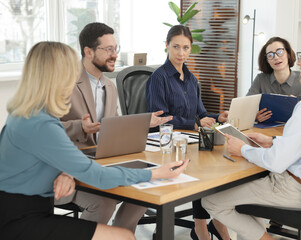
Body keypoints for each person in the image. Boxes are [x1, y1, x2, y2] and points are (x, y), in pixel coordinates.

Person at [0, 41, 189, 240]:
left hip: (15, 211)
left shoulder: (26, 114)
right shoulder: (42, 125)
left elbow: (46, 156)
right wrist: (154, 173)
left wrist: (65, 171)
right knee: (124, 237)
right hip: (21, 222)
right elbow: (96, 175)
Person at [202, 28, 301, 240]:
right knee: (243, 199)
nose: (299, 62)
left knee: (211, 201)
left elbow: (275, 163)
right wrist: (273, 140)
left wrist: (243, 149)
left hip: (296, 190)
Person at [55, 22, 172, 232]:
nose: (114, 54)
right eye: (108, 49)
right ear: (88, 52)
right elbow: (44, 131)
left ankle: (121, 234)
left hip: (100, 162)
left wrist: (144, 122)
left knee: (144, 190)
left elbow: (114, 126)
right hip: (66, 169)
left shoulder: (109, 86)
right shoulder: (64, 83)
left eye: (115, 49)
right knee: (104, 202)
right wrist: (79, 127)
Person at [146, 25, 229, 240]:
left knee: (216, 163)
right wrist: (191, 124)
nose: (181, 53)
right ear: (166, 46)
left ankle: (213, 223)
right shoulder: (159, 77)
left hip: (189, 141)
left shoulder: (192, 79)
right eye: (175, 47)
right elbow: (160, 118)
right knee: (203, 165)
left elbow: (199, 113)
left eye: (185, 48)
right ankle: (202, 227)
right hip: (165, 143)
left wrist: (218, 117)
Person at [247, 37, 301, 123]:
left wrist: (298, 106)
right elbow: (247, 107)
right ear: (267, 60)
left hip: (294, 131)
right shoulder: (260, 79)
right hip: (265, 131)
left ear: (288, 54)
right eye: (270, 55)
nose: (276, 57)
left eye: (280, 52)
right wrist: (255, 117)